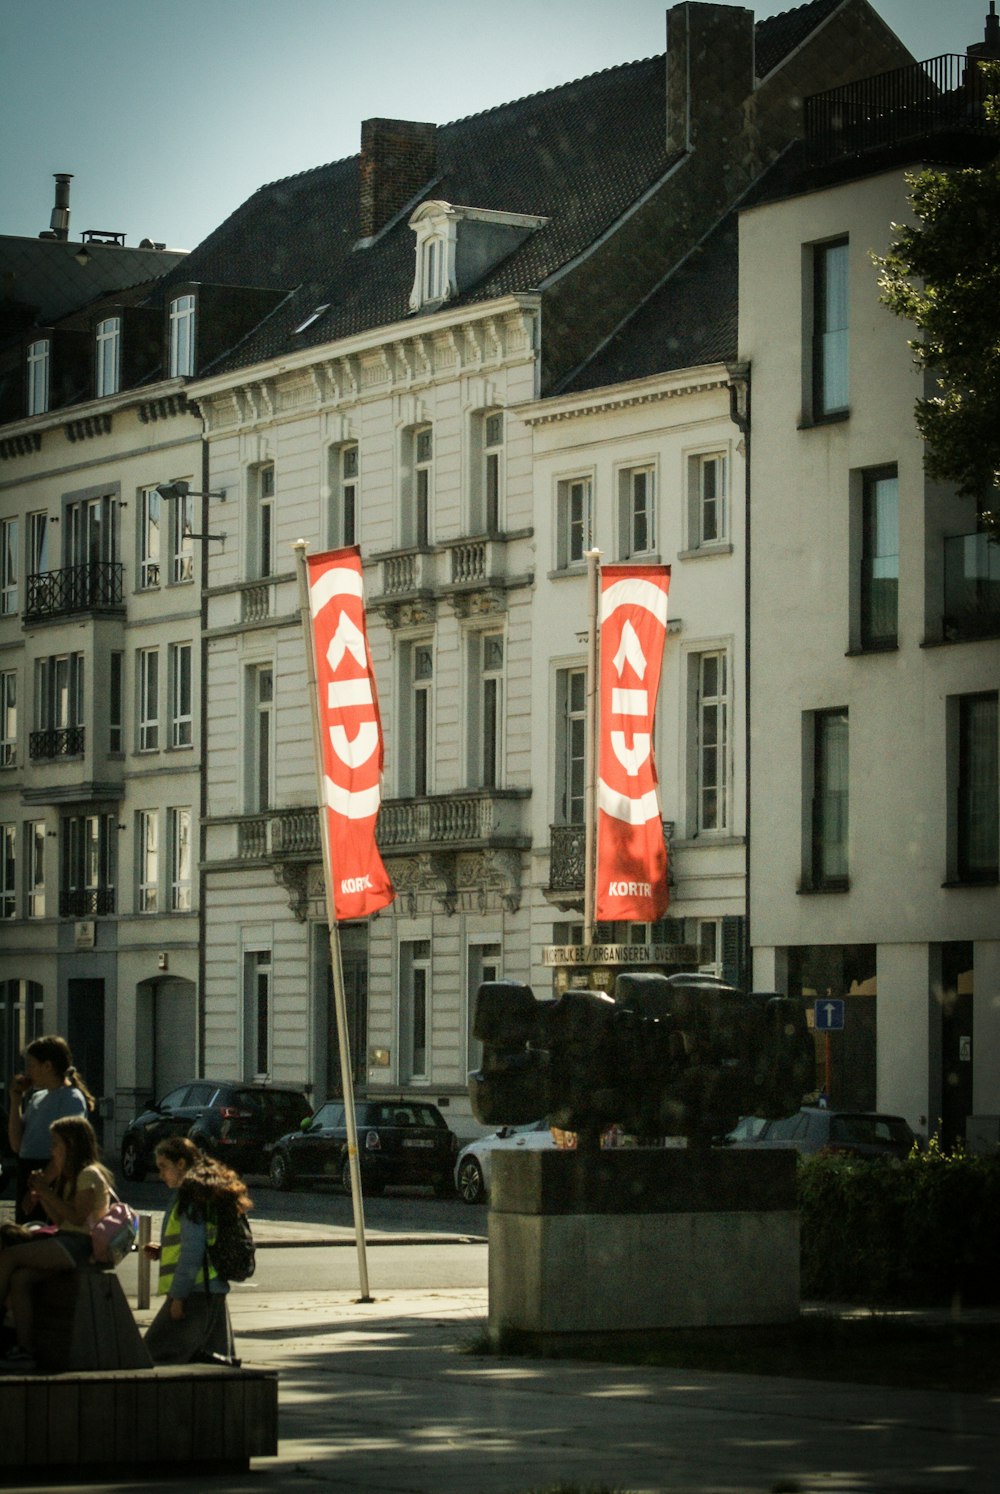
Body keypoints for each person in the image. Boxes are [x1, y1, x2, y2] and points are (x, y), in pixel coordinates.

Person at [0, 1114, 111, 1372]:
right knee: (20, 1279)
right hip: (67, 1239)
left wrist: (47, 1192)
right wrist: (41, 1193)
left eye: (56, 1144)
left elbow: (76, 1217)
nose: (52, 1151)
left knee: (9, 1256)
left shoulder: (89, 1174)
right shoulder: (71, 1177)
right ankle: (24, 1349)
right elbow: (60, 1218)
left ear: (70, 1145)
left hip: (80, 1245)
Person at [143, 1136, 249, 1365]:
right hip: (209, 1288)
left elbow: (192, 1252)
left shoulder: (191, 1197)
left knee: (154, 1355)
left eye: (163, 1166)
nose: (160, 1174)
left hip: (195, 1292)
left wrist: (178, 1298)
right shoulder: (202, 1192)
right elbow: (197, 1242)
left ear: (181, 1164)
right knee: (211, 1361)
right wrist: (165, 1251)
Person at [8, 1035, 94, 1224]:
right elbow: (16, 1144)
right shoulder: (37, 1097)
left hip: (51, 1176)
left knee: (44, 1230)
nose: (28, 1071)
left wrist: (41, 1187)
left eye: (31, 1064)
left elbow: (65, 1147)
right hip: (28, 1172)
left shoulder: (71, 1098)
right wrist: (15, 1101)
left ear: (47, 1066)